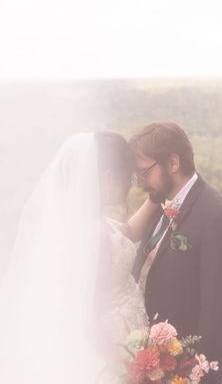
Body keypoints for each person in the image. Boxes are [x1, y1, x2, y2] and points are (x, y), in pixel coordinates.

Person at [0, 131, 157, 384]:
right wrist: (124, 367)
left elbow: (128, 231)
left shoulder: (92, 223)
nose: (131, 184)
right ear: (108, 178)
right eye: (127, 177)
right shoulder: (92, 235)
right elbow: (88, 314)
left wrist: (157, 196)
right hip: (112, 350)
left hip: (122, 342)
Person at [129, 120, 222, 384]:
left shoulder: (218, 217)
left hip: (190, 367)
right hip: (156, 363)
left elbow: (219, 309)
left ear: (173, 163)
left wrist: (197, 374)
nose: (140, 183)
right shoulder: (161, 200)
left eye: (144, 172)